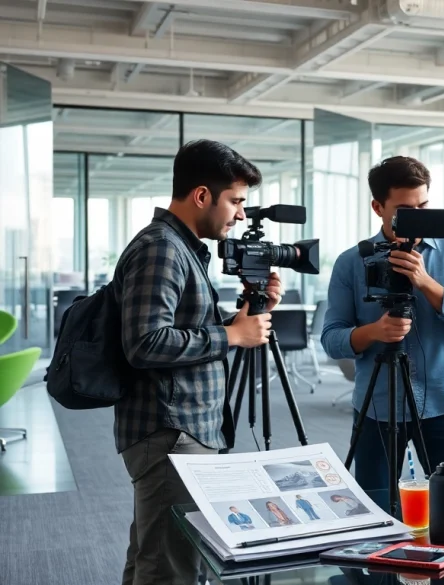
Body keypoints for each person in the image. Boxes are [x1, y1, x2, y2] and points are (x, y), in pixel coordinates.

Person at [114, 139, 280, 585]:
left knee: (155, 556)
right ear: (203, 195)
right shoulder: (162, 248)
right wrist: (230, 335)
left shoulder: (181, 247)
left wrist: (238, 322)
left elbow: (179, 328)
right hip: (171, 432)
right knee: (171, 568)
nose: (242, 214)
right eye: (236, 201)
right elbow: (145, 343)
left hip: (180, 429)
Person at [322, 156, 444, 491]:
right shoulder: (351, 262)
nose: (418, 217)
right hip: (376, 406)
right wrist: (373, 332)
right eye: (406, 210)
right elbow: (330, 339)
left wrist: (425, 281)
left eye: (424, 205)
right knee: (375, 506)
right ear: (378, 207)